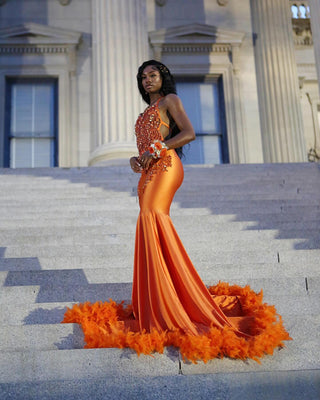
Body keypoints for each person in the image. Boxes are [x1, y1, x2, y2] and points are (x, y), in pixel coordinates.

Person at [63, 60, 291, 363]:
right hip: (149, 172)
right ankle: (158, 298)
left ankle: (173, 299)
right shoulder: (144, 112)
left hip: (168, 166)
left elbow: (188, 133)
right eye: (142, 77)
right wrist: (137, 160)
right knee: (146, 222)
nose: (147, 80)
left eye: (152, 75)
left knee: (153, 216)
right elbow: (147, 147)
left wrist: (156, 151)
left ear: (163, 77)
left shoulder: (171, 100)